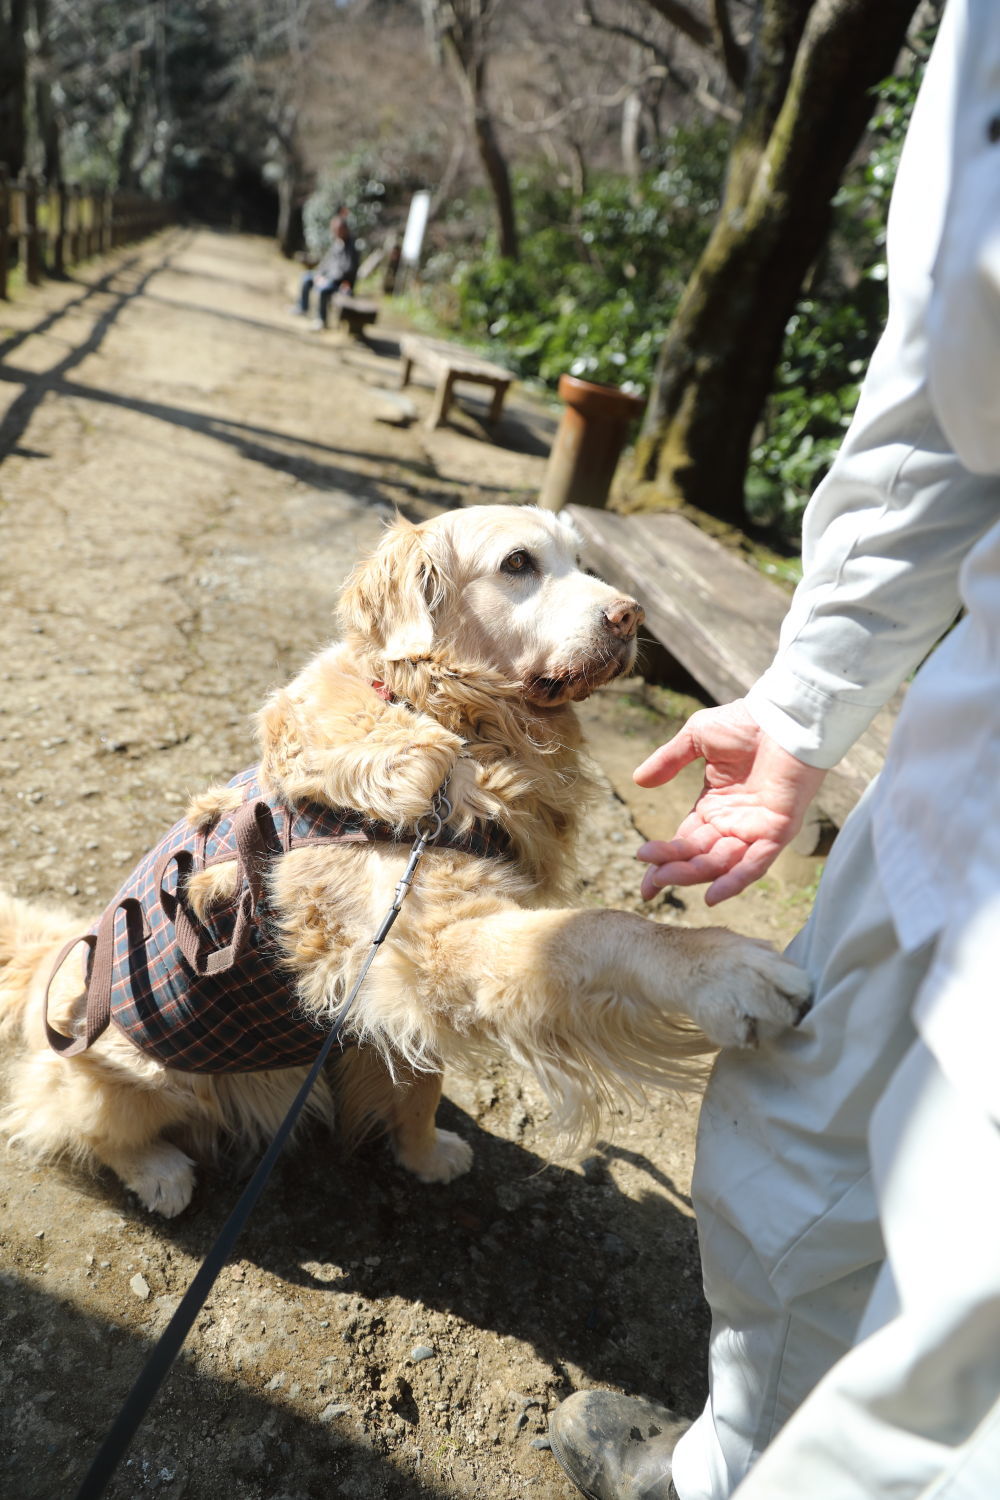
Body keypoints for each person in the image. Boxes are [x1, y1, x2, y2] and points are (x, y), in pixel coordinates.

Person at [547, 2, 1000, 1496]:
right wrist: (806, 708)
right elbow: (953, 368)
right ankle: (727, 1462)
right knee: (809, 1110)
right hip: (971, 735)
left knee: (960, 1338)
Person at [291, 210, 359, 331]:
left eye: (337, 229)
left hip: (340, 283)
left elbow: (347, 270)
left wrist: (327, 279)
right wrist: (319, 274)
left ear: (344, 230)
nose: (334, 232)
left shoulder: (351, 248)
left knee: (323, 290)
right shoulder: (337, 243)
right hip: (327, 277)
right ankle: (303, 307)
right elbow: (326, 263)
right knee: (307, 277)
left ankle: (322, 320)